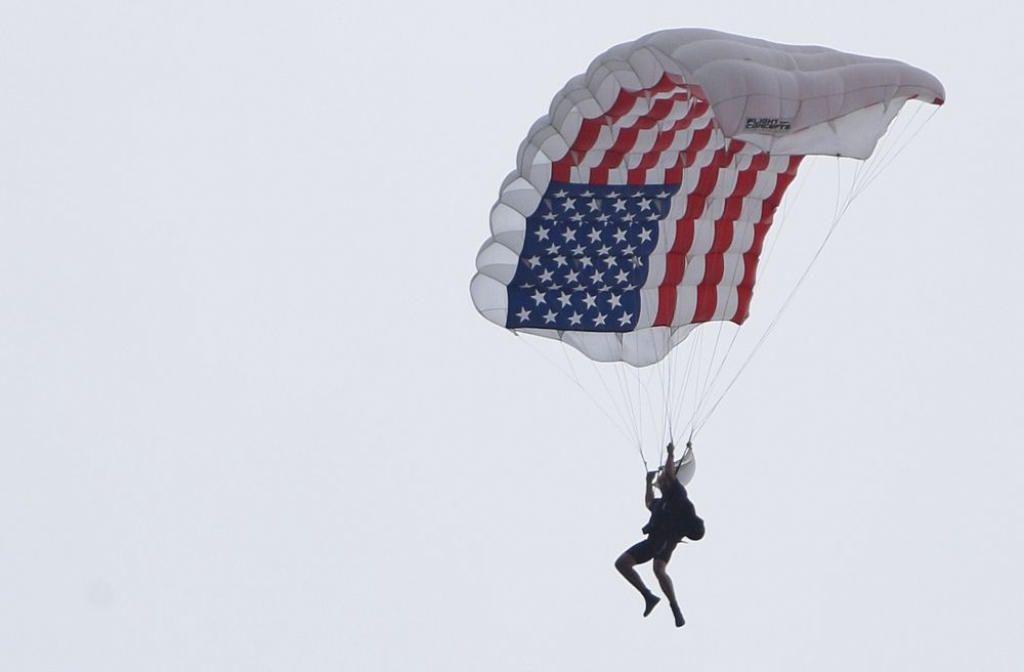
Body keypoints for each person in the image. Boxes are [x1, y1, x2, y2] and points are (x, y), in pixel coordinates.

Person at [615, 441, 705, 628]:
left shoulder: (678, 496)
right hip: (653, 541)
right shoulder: (661, 502)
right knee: (622, 563)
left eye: (662, 481)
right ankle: (648, 596)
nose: (661, 481)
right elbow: (649, 502)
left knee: (658, 569)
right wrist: (648, 483)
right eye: (660, 481)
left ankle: (675, 607)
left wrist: (671, 453)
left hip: (668, 537)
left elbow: (670, 474)